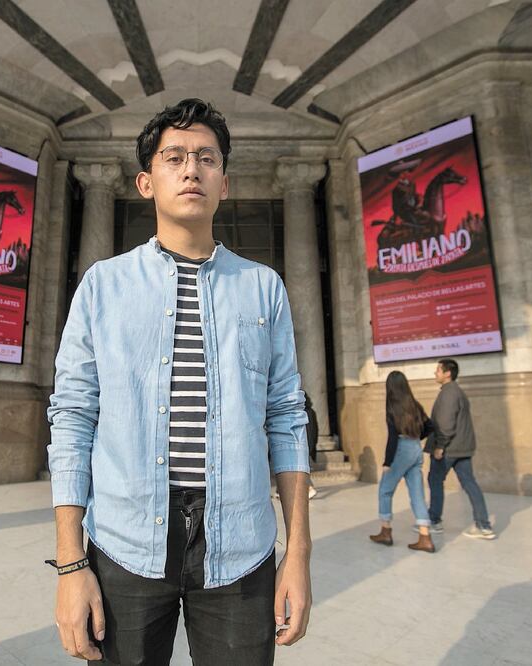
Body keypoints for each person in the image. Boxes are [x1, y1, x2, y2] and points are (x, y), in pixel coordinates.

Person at [47, 98, 312, 665]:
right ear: (147, 182)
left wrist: (298, 554)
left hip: (240, 546)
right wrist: (72, 566)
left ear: (224, 183)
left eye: (206, 159)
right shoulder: (103, 286)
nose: (191, 169)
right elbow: (73, 416)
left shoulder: (263, 288)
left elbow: (287, 416)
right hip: (125, 546)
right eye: (174, 157)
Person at [423, 358, 496, 540]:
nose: (435, 373)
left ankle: (434, 521)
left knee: (435, 480)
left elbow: (446, 424)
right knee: (470, 484)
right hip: (463, 447)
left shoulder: (449, 393)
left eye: (438, 370)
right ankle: (483, 525)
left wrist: (440, 446)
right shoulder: (456, 392)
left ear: (448, 373)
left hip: (449, 448)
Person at [369, 371, 435, 553]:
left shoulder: (392, 406)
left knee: (385, 490)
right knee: (417, 494)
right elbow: (430, 426)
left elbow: (392, 437)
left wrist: (387, 462)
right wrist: (416, 436)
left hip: (401, 450)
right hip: (415, 449)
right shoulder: (414, 404)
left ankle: (386, 531)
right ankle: (425, 536)